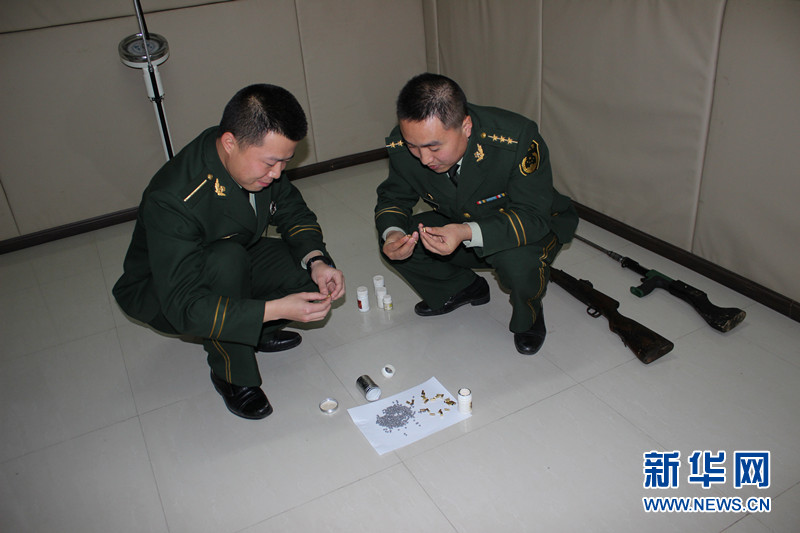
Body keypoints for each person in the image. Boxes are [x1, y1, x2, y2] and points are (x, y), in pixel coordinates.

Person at [113, 84, 344, 420]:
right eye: (271, 163)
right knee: (227, 262)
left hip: (231, 254)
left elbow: (293, 210)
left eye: (285, 161)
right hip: (168, 291)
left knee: (305, 274)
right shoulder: (173, 197)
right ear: (230, 143)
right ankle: (232, 374)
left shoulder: (256, 157)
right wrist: (272, 309)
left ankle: (252, 333)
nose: (278, 173)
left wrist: (317, 261)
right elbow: (185, 306)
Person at [375, 73, 578, 355]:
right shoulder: (409, 138)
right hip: (460, 219)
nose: (423, 159)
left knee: (519, 264)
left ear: (466, 127)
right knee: (402, 240)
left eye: (434, 147)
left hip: (528, 224)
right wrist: (393, 234)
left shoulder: (516, 138)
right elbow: (394, 197)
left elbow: (533, 216)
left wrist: (466, 232)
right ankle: (463, 288)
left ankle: (529, 316)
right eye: (413, 147)